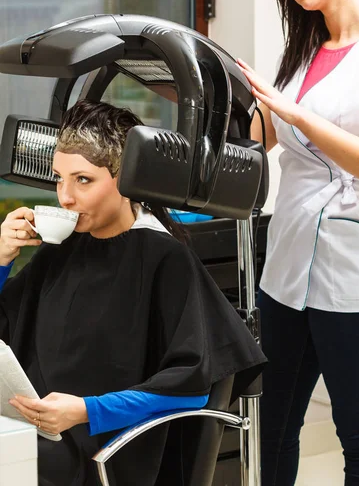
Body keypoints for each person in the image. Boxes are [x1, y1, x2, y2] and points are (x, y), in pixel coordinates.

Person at [0, 99, 266, 486]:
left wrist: (87, 411)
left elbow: (191, 388)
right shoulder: (61, 249)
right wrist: (2, 259)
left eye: (83, 180)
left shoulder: (164, 259)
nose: (65, 198)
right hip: (41, 438)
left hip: (111, 451)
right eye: (59, 178)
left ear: (128, 178)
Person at [237, 0, 359, 486]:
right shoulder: (302, 49)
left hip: (357, 282)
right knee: (274, 423)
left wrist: (295, 115)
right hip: (285, 272)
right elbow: (260, 136)